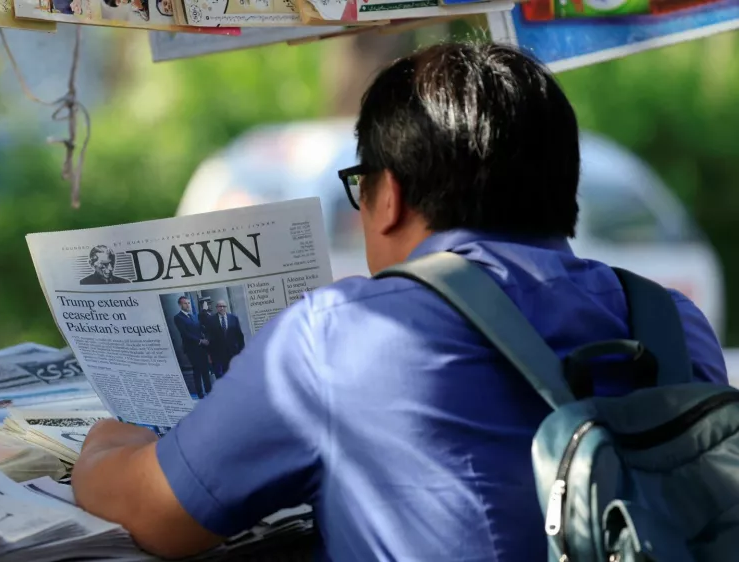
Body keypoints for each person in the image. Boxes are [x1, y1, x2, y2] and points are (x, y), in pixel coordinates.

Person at [69, 42, 727, 561]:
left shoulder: (346, 335)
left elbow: (162, 517)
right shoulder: (674, 325)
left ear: (389, 197)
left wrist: (101, 448)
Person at [172, 296, 213, 398]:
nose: (188, 305)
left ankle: (209, 391)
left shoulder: (194, 316)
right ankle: (200, 393)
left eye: (188, 303)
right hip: (192, 349)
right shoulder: (178, 317)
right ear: (180, 305)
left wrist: (207, 338)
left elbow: (200, 329)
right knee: (197, 371)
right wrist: (200, 340)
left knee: (205, 369)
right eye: (185, 303)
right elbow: (185, 333)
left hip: (202, 348)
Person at [204, 300, 245, 377]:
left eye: (224, 306)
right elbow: (208, 336)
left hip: (233, 352)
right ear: (217, 308)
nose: (222, 308)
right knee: (220, 375)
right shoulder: (211, 320)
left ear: (226, 307)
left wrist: (241, 350)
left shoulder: (233, 318)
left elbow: (239, 335)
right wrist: (209, 354)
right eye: (220, 306)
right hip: (218, 354)